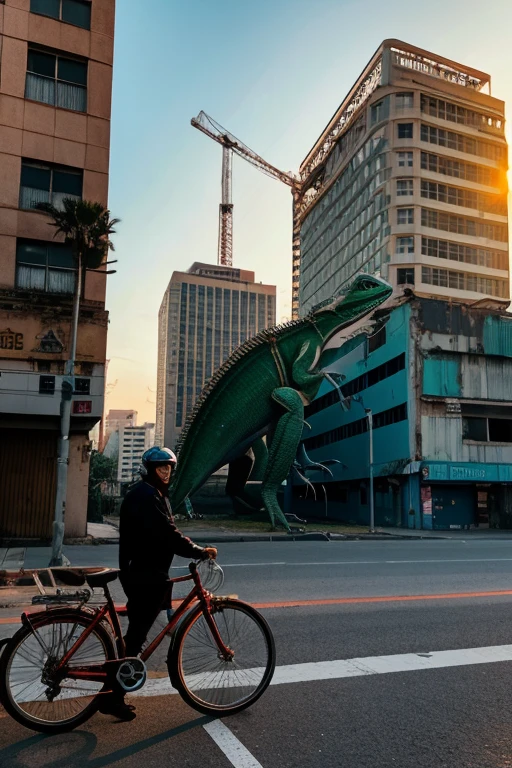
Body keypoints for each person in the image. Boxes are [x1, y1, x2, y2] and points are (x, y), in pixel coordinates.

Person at [98, 446, 217, 721]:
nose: (165, 472)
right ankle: (112, 695)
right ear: (151, 470)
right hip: (144, 574)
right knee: (136, 636)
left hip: (145, 572)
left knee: (135, 635)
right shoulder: (147, 495)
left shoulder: (152, 493)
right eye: (160, 468)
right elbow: (168, 534)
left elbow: (166, 531)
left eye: (168, 468)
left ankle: (112, 691)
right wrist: (198, 550)